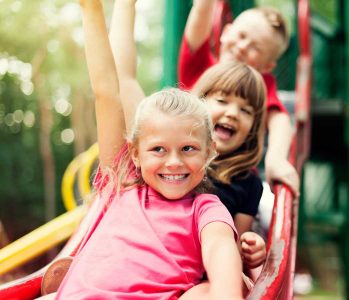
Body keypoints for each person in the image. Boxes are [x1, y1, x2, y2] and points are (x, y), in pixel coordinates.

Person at [54, 0, 243, 299]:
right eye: (158, 149)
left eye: (188, 148)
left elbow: (220, 248)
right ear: (135, 153)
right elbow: (107, 93)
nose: (173, 162)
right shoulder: (120, 185)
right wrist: (91, 11)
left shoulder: (205, 210)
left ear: (210, 152)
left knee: (206, 291)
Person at [108, 0, 268, 279]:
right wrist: (125, 7)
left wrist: (250, 250)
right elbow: (123, 81)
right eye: (222, 101)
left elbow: (232, 246)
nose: (233, 113)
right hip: (142, 264)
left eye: (245, 110)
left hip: (196, 275)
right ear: (200, 102)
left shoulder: (246, 182)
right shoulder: (160, 152)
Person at [178, 0, 300, 197]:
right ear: (225, 33)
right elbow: (200, 13)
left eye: (256, 48)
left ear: (267, 67)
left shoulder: (258, 86)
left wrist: (276, 159)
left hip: (229, 182)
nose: (243, 46)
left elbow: (280, 119)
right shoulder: (200, 65)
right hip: (180, 165)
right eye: (242, 36)